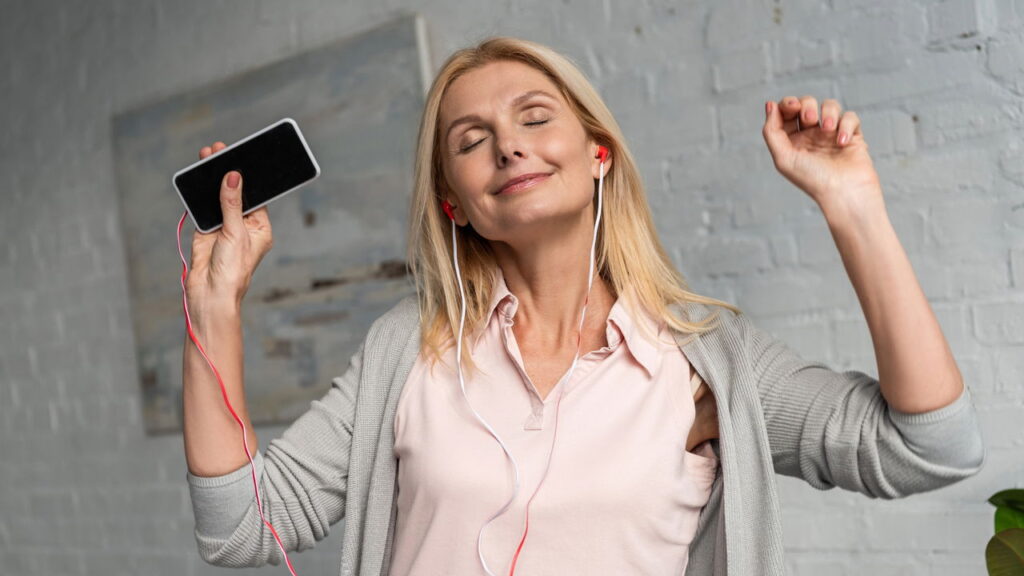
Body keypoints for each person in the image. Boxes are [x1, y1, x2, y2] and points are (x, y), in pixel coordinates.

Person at [182, 37, 986, 575]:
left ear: (596, 153)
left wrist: (853, 207)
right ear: (455, 203)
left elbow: (930, 448)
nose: (508, 146)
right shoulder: (410, 351)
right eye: (470, 140)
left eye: (535, 118)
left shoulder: (706, 360)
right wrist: (215, 311)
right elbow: (243, 526)